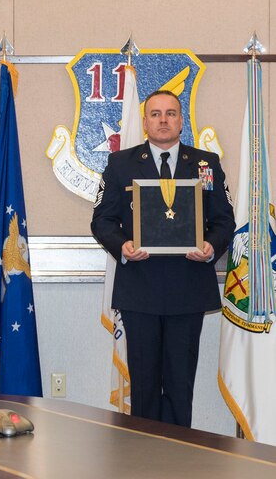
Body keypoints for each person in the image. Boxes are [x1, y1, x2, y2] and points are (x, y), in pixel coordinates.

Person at [91, 90, 235, 427]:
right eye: (155, 114)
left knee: (179, 384)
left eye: (171, 113)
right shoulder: (121, 164)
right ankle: (145, 459)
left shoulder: (205, 164)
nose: (163, 120)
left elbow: (224, 221)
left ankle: (179, 461)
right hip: (140, 289)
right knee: (143, 386)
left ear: (181, 121)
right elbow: (102, 219)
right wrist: (122, 245)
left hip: (187, 288)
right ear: (144, 122)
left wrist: (211, 247)